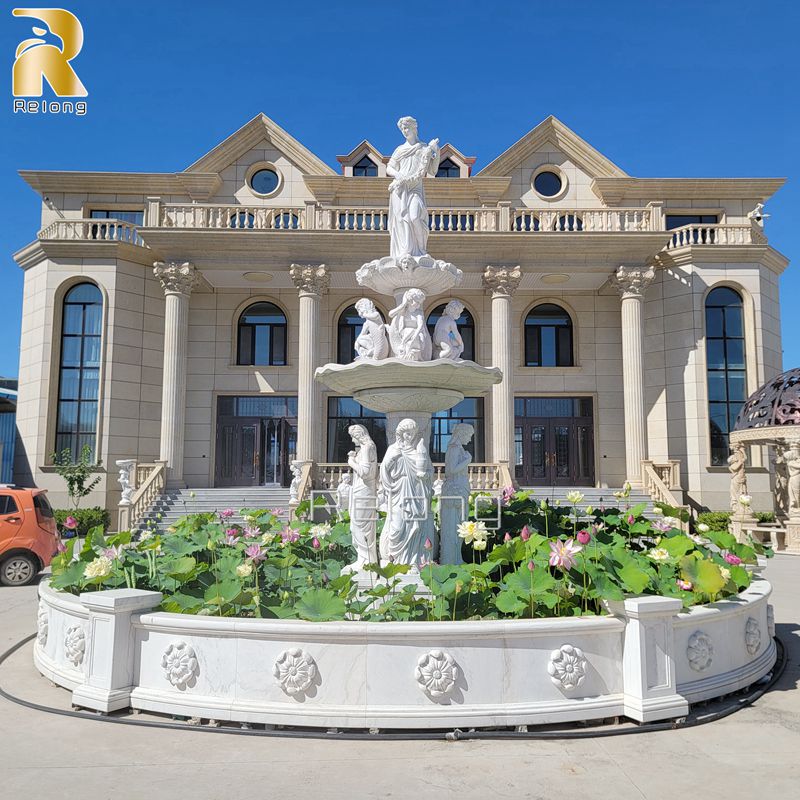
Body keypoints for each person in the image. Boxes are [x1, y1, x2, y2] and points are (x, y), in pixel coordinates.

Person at [379, 418, 435, 568]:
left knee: (415, 527)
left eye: (413, 433)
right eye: (407, 433)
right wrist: (393, 459)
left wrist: (425, 476)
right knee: (397, 527)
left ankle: (413, 562)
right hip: (398, 492)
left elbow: (430, 472)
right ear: (401, 433)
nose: (410, 436)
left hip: (416, 493)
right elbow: (384, 471)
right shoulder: (393, 449)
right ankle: (395, 561)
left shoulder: (419, 451)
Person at [387, 116, 439, 260]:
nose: (404, 131)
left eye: (406, 127)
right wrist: (399, 175)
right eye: (402, 129)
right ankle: (405, 250)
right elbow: (389, 167)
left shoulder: (423, 148)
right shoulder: (400, 150)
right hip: (400, 189)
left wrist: (437, 152)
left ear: (414, 128)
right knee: (403, 219)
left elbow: (432, 171)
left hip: (415, 188)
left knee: (415, 217)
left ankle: (421, 250)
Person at [344, 425, 378, 571]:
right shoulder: (368, 447)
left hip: (364, 491)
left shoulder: (366, 448)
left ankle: (366, 560)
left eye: (353, 436)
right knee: (359, 525)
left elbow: (365, 473)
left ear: (359, 435)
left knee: (360, 525)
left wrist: (351, 462)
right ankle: (364, 558)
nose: (352, 439)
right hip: (362, 490)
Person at [439, 423, 474, 564]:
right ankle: (450, 559)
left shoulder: (459, 449)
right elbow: (451, 470)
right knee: (453, 526)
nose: (470, 440)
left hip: (460, 488)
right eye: (469, 436)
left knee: (460, 524)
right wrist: (467, 461)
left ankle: (456, 557)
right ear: (461, 434)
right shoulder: (454, 449)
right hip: (454, 490)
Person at [387, 288, 432, 361]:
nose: (418, 305)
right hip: (405, 334)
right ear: (410, 300)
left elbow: (420, 326)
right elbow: (391, 314)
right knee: (409, 332)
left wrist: (415, 334)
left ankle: (411, 355)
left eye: (420, 303)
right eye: (417, 302)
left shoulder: (419, 312)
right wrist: (403, 305)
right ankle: (406, 355)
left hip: (417, 334)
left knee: (414, 335)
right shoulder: (404, 311)